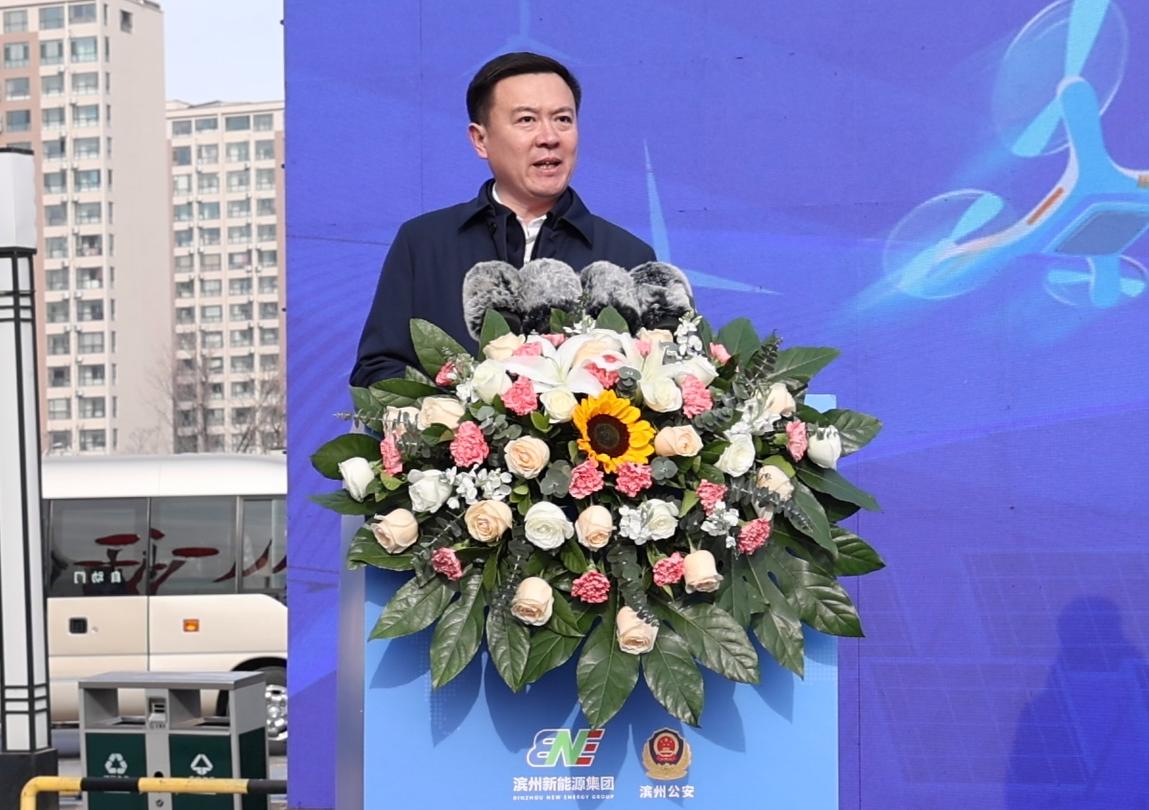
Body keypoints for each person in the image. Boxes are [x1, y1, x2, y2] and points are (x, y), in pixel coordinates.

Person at [350, 52, 656, 387]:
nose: (549, 137)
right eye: (527, 120)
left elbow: (659, 377)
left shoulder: (628, 256)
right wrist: (456, 411)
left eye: (563, 119)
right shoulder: (423, 243)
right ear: (480, 140)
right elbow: (377, 370)